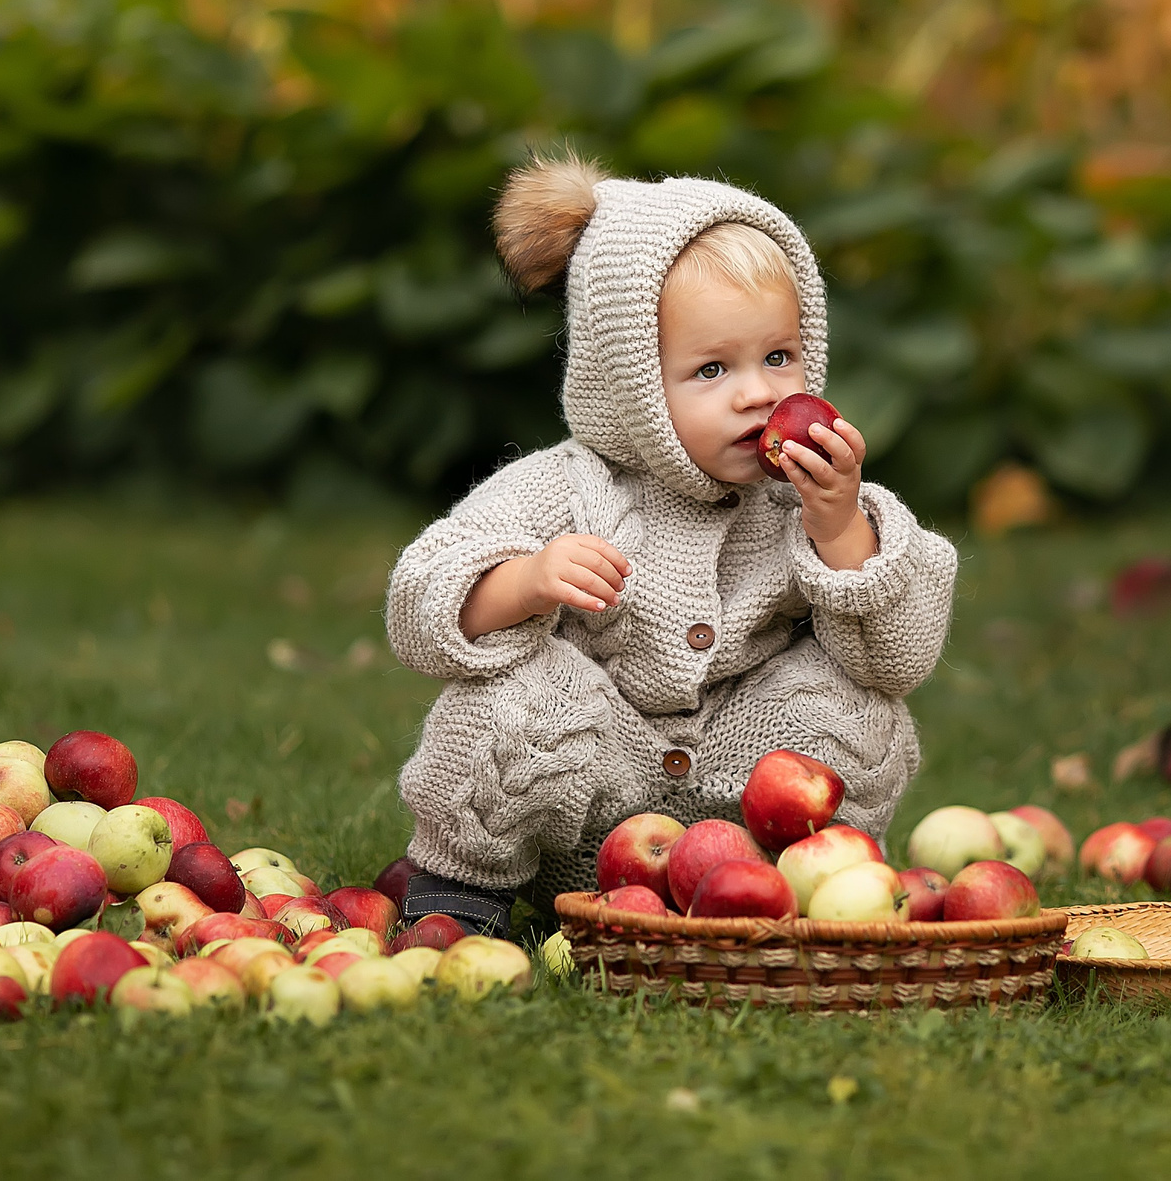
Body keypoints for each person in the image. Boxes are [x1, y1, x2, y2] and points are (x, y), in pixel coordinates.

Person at [384, 154, 957, 935]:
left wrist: (839, 527)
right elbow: (420, 600)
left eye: (778, 356)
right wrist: (525, 581)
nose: (759, 392)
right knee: (508, 698)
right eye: (712, 367)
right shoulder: (565, 486)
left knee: (856, 704)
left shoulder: (809, 496)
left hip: (754, 803)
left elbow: (898, 659)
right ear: (631, 382)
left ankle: (825, 886)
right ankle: (462, 894)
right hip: (595, 790)